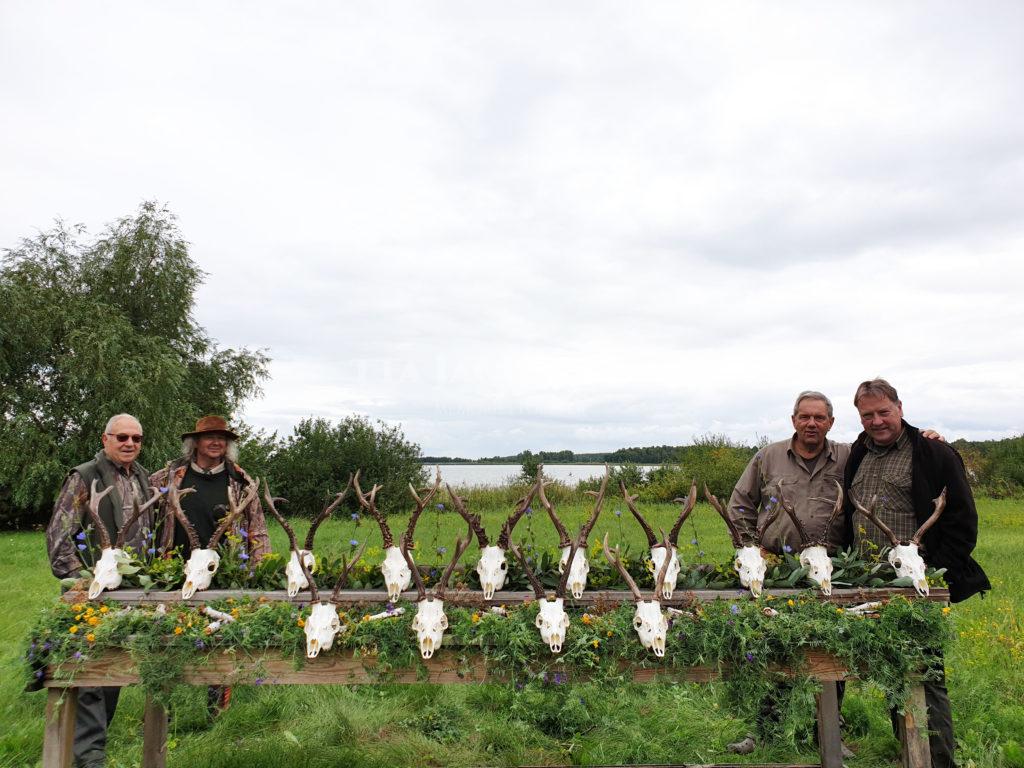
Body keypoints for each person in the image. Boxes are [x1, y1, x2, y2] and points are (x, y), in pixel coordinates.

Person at [842, 378, 989, 768]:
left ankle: (938, 761)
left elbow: (962, 522)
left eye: (883, 411)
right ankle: (910, 753)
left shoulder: (933, 452)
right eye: (867, 414)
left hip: (914, 587)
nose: (876, 421)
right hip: (864, 582)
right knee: (892, 672)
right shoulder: (859, 451)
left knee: (924, 675)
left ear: (900, 407)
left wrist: (934, 574)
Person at [45, 413, 153, 768]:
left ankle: (89, 748)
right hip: (93, 592)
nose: (129, 444)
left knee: (114, 669)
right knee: (91, 672)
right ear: (104, 439)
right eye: (121, 437)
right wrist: (81, 583)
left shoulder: (140, 477)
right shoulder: (84, 477)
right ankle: (88, 757)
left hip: (131, 592)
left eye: (136, 439)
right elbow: (59, 537)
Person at [149, 415, 270, 717]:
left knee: (221, 636)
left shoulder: (242, 482)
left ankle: (218, 710)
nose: (216, 442)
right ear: (196, 442)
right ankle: (164, 708)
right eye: (209, 437)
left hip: (224, 572)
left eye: (222, 438)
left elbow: (258, 529)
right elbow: (144, 520)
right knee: (167, 635)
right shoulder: (166, 478)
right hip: (173, 571)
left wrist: (261, 568)